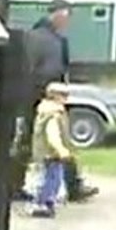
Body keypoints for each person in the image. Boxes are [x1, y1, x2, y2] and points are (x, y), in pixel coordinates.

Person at [12, 0, 98, 202]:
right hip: (41, 97)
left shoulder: (43, 38)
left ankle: (16, 185)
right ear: (58, 14)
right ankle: (71, 187)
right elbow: (42, 70)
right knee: (51, 142)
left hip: (41, 96)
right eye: (66, 16)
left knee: (37, 141)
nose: (67, 22)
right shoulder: (43, 40)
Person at [29, 82, 72, 218]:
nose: (66, 98)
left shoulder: (46, 111)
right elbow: (52, 135)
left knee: (50, 177)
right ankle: (43, 203)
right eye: (63, 95)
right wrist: (61, 150)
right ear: (54, 96)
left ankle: (45, 202)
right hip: (51, 153)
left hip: (46, 152)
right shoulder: (53, 114)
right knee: (52, 178)